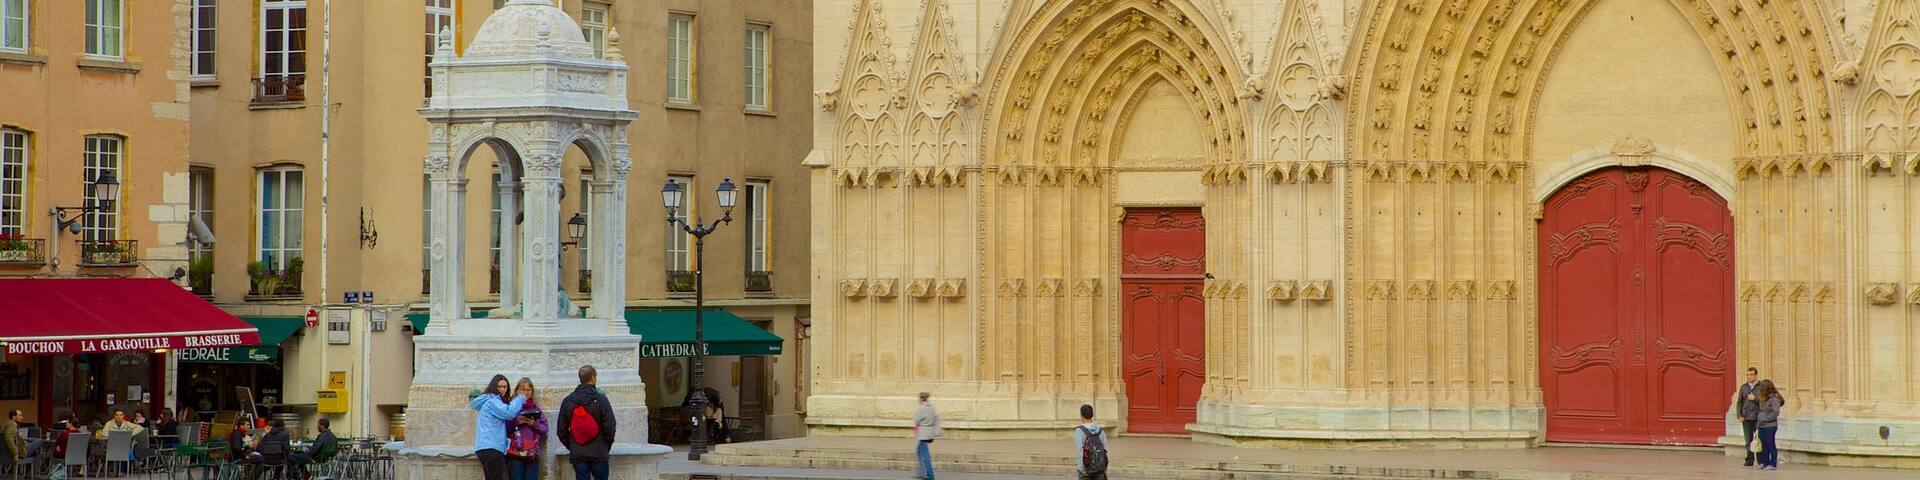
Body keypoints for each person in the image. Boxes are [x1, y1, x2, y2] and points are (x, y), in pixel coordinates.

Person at [558, 365, 616, 480]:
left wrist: (572, 445)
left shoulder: (568, 401)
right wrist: (606, 444)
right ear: (593, 378)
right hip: (599, 450)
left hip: (578, 451)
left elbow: (561, 430)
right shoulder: (601, 399)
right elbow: (610, 426)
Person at [472, 374, 529, 480]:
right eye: (500, 386)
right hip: (491, 447)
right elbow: (509, 412)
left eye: (505, 387)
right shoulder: (493, 401)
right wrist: (520, 398)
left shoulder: (488, 401)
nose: (503, 389)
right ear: (494, 387)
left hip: (486, 446)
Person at [505, 378, 549, 480]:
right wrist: (517, 422)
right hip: (515, 452)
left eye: (528, 390)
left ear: (532, 392)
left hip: (532, 452)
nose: (525, 392)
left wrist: (534, 424)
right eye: (522, 390)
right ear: (517, 391)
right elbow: (504, 429)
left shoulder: (536, 409)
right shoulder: (511, 407)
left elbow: (545, 429)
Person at [1753, 379, 1785, 470]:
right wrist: (1758, 423)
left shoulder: (1774, 399)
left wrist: (1765, 419)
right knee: (1763, 445)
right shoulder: (1762, 398)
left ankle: (1773, 464)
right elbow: (1761, 411)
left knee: (1770, 444)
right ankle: (1765, 462)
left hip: (1770, 426)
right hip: (1761, 425)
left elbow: (1775, 413)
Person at [1734, 367, 1760, 466]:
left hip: (1758, 418)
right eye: (1748, 375)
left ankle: (1761, 460)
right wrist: (1739, 415)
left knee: (1758, 440)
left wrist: (1755, 398)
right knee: (1748, 440)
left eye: (1751, 374)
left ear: (1756, 375)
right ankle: (1749, 460)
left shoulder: (1761, 386)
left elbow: (1764, 401)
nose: (1749, 377)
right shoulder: (1744, 387)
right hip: (1746, 418)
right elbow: (1739, 402)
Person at [1073, 404, 1107, 480]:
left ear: (1081, 416)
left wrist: (1081, 469)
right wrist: (1103, 468)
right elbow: (1104, 450)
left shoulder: (1079, 431)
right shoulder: (1100, 431)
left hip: (1086, 470)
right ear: (1092, 415)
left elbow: (1080, 451)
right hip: (1099, 469)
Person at [912, 392, 941, 480]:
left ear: (921, 398)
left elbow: (916, 420)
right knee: (919, 452)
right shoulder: (931, 408)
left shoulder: (922, 408)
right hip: (929, 432)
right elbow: (934, 418)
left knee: (925, 455)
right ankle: (921, 472)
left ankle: (929, 475)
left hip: (923, 433)